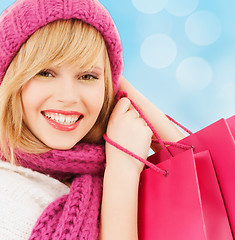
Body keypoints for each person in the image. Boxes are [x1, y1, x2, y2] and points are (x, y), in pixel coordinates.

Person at [0, 0, 185, 239]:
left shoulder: (102, 166)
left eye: (87, 76)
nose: (68, 97)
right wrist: (122, 172)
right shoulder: (9, 196)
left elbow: (214, 182)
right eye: (45, 73)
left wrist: (116, 80)